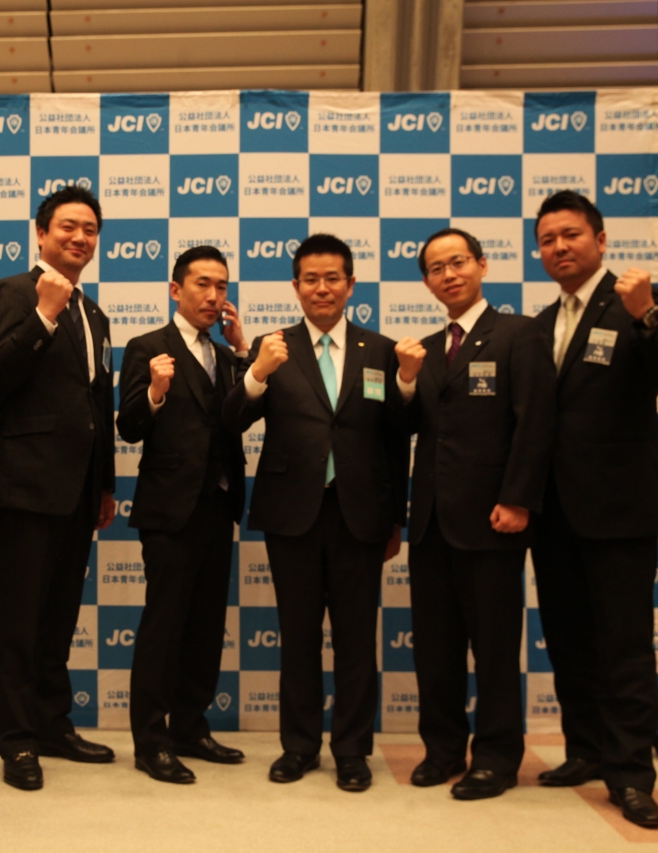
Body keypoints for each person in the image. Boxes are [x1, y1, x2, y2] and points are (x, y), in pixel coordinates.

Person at [530, 191, 658, 828]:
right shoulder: (542, 323)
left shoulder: (638, 304)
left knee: (624, 648)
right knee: (569, 640)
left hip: (619, 513)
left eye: (571, 235)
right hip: (553, 515)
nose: (559, 247)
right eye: (548, 239)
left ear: (600, 240)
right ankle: (586, 751)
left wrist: (648, 313)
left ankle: (630, 775)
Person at [223, 233, 408, 792]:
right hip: (293, 515)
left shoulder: (381, 350)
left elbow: (395, 441)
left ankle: (352, 751)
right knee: (298, 636)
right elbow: (229, 421)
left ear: (351, 284)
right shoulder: (272, 346)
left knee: (356, 639)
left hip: (360, 515)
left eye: (332, 278)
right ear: (296, 286)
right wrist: (256, 372)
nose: (321, 288)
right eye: (311, 279)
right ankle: (299, 747)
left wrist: (395, 518)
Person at [393, 228, 557, 800]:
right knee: (434, 649)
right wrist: (405, 382)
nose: (449, 275)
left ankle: (496, 757)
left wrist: (518, 499)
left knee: (494, 649)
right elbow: (406, 430)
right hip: (431, 523)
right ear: (427, 282)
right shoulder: (425, 350)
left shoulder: (518, 334)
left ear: (482, 265)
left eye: (458, 262)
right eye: (436, 268)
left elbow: (535, 421)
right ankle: (442, 750)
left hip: (493, 520)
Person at [0, 185, 117, 790]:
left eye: (89, 229)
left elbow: (98, 402)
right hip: (25, 483)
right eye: (68, 226)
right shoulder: (14, 291)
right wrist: (43, 314)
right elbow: (3, 373)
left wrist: (105, 483)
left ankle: (52, 723)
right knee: (18, 619)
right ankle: (16, 741)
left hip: (79, 488)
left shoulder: (95, 314)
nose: (79, 237)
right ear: (41, 233)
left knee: (59, 617)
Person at [116, 246, 249, 784]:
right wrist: (154, 391)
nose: (213, 296)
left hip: (219, 506)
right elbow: (128, 427)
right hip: (169, 511)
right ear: (176, 290)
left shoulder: (227, 355)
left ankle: (191, 727)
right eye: (202, 284)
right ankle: (151, 740)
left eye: (221, 286)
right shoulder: (148, 347)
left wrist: (243, 352)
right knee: (164, 626)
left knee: (206, 626)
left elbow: (242, 414)